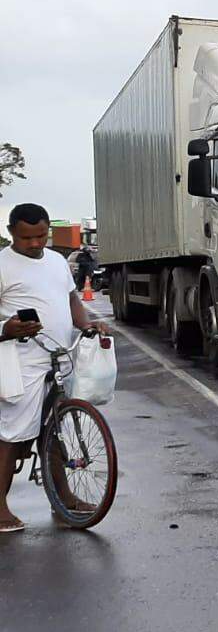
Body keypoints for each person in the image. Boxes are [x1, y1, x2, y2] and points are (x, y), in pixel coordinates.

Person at [0, 204, 107, 533]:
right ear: (10, 232)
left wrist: (88, 323)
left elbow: (72, 299)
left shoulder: (58, 261)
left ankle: (64, 501)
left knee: (56, 430)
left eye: (40, 236)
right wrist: (6, 327)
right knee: (13, 434)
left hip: (59, 356)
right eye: (26, 238)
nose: (34, 243)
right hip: (20, 362)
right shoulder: (2, 264)